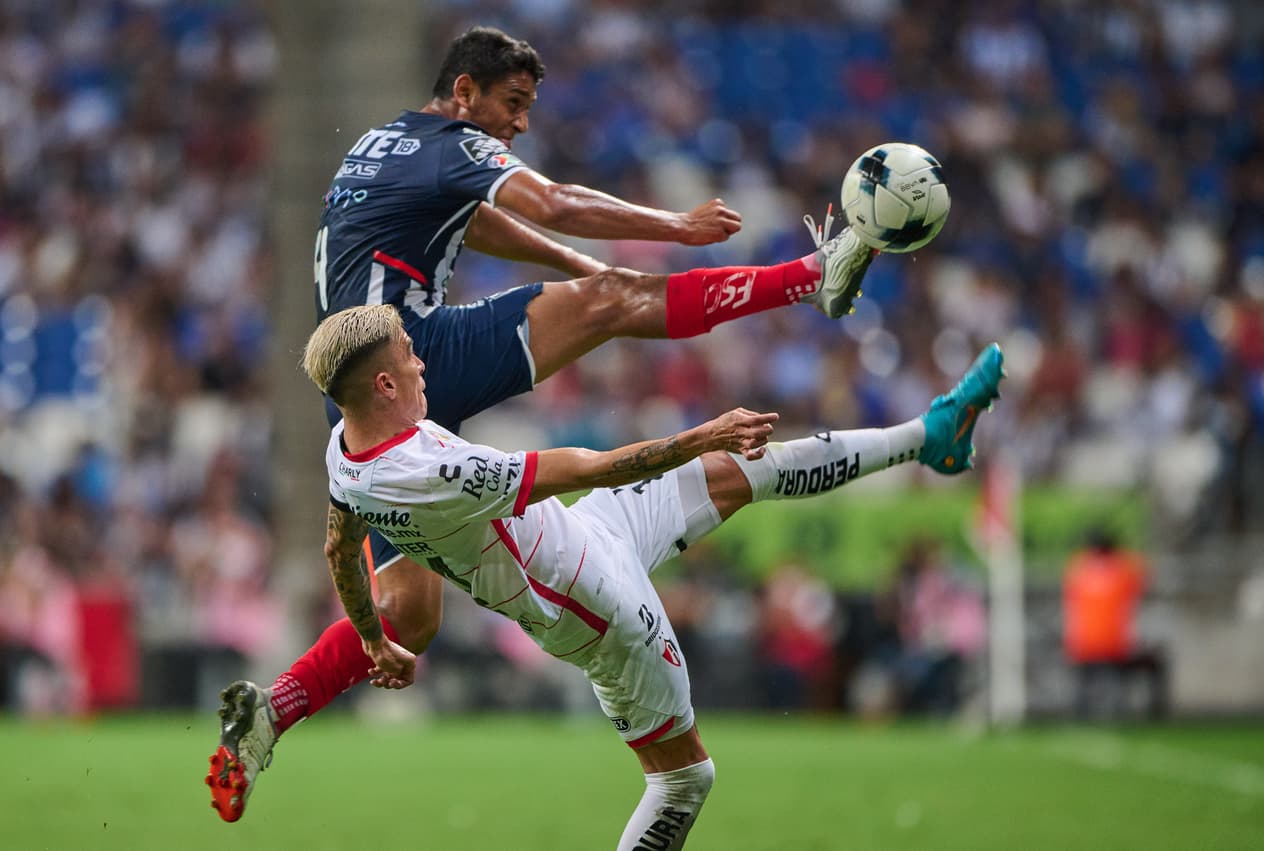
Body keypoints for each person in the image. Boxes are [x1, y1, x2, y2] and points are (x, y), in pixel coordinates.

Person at [208, 24, 878, 821]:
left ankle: (273, 709)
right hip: (411, 353)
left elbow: (475, 222)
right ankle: (811, 275)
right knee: (615, 306)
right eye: (513, 103)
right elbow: (553, 201)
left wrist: (576, 266)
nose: (521, 123)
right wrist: (675, 227)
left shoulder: (385, 147)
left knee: (410, 616)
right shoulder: (453, 146)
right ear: (464, 93)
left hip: (359, 400)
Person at [206, 304, 1003, 844]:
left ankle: (929, 436)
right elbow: (590, 463)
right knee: (685, 780)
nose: (422, 364)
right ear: (382, 383)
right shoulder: (434, 470)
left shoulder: (344, 452)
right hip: (593, 604)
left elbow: (340, 549)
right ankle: (924, 438)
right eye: (409, 356)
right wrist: (699, 433)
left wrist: (374, 636)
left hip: (592, 530)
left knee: (745, 471)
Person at [1063, 528, 1167, 720]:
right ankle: (1157, 715)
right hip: (1116, 648)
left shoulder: (1078, 569)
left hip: (1082, 648)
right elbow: (1148, 575)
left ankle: (1081, 710)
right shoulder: (1124, 570)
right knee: (1157, 662)